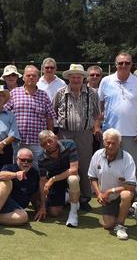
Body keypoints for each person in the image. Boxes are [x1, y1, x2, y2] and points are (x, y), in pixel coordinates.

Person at [98, 52, 137, 178]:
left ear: (131, 64)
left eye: (127, 63)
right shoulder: (106, 81)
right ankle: (109, 195)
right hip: (109, 133)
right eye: (121, 63)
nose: (124, 65)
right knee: (107, 165)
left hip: (132, 134)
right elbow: (99, 106)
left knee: (133, 167)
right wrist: (97, 126)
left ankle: (132, 195)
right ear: (116, 65)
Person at [54, 64, 102, 207]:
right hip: (65, 134)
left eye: (79, 77)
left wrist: (95, 127)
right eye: (73, 77)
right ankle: (66, 196)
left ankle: (85, 198)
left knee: (85, 165)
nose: (76, 80)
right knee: (64, 165)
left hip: (84, 134)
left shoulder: (92, 93)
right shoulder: (60, 92)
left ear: (83, 78)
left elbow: (97, 113)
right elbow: (54, 111)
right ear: (69, 78)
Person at [88, 128, 137, 241]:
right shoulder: (97, 155)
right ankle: (131, 210)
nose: (110, 146)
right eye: (108, 142)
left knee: (126, 195)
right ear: (104, 142)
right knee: (108, 225)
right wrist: (98, 193)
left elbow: (131, 185)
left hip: (121, 194)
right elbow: (92, 177)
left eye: (114, 143)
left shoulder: (127, 158)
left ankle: (120, 225)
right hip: (107, 198)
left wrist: (110, 191)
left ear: (119, 144)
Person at [4, 65, 55, 168]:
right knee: (17, 168)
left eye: (34, 75)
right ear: (23, 77)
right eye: (28, 75)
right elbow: (5, 113)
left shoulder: (43, 95)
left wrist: (49, 137)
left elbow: (50, 117)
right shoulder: (14, 93)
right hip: (18, 140)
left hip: (38, 142)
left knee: (38, 169)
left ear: (38, 78)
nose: (31, 77)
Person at [34, 131, 81, 227]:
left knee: (73, 179)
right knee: (54, 212)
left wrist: (52, 180)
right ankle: (69, 197)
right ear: (42, 146)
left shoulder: (69, 144)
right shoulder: (41, 157)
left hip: (68, 176)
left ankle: (73, 213)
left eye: (50, 141)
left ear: (56, 138)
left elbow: (74, 170)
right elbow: (42, 180)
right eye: (44, 144)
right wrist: (43, 206)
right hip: (56, 182)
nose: (48, 145)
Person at [0, 148, 39, 231]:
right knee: (6, 182)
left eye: (29, 160)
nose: (26, 163)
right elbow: (1, 175)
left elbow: (34, 193)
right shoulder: (9, 167)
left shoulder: (34, 173)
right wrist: (15, 174)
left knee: (23, 217)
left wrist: (41, 208)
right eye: (23, 160)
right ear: (17, 159)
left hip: (15, 208)